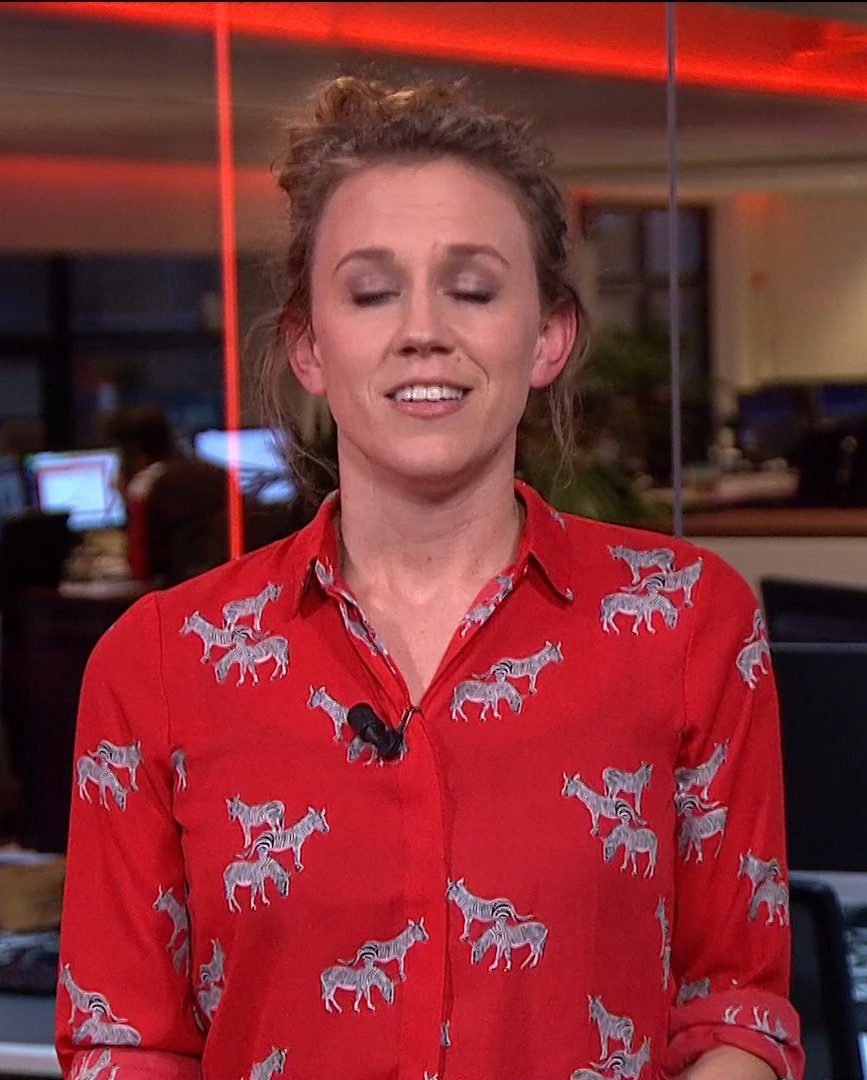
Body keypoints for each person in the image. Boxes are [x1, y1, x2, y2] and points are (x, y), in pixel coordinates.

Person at [58, 76, 800, 1080]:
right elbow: (125, 1041)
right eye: (371, 292)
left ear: (548, 336)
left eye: (473, 290)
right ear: (308, 345)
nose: (423, 331)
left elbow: (737, 1009)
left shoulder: (685, 621)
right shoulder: (158, 663)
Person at [105, 404, 232, 587]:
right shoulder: (218, 474)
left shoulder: (144, 487)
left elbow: (140, 571)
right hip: (228, 585)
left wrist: (127, 498)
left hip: (179, 592)